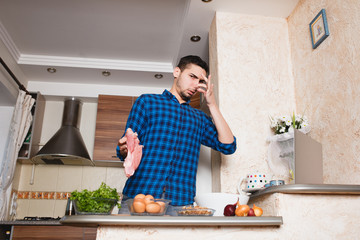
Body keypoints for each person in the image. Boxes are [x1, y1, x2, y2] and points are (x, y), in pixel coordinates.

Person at [116, 55, 236, 214]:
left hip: (180, 204)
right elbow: (126, 147)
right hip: (139, 196)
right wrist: (124, 149)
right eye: (192, 76)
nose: (195, 85)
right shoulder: (147, 102)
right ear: (177, 72)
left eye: (200, 81)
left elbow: (229, 146)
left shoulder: (199, 118)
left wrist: (211, 104)